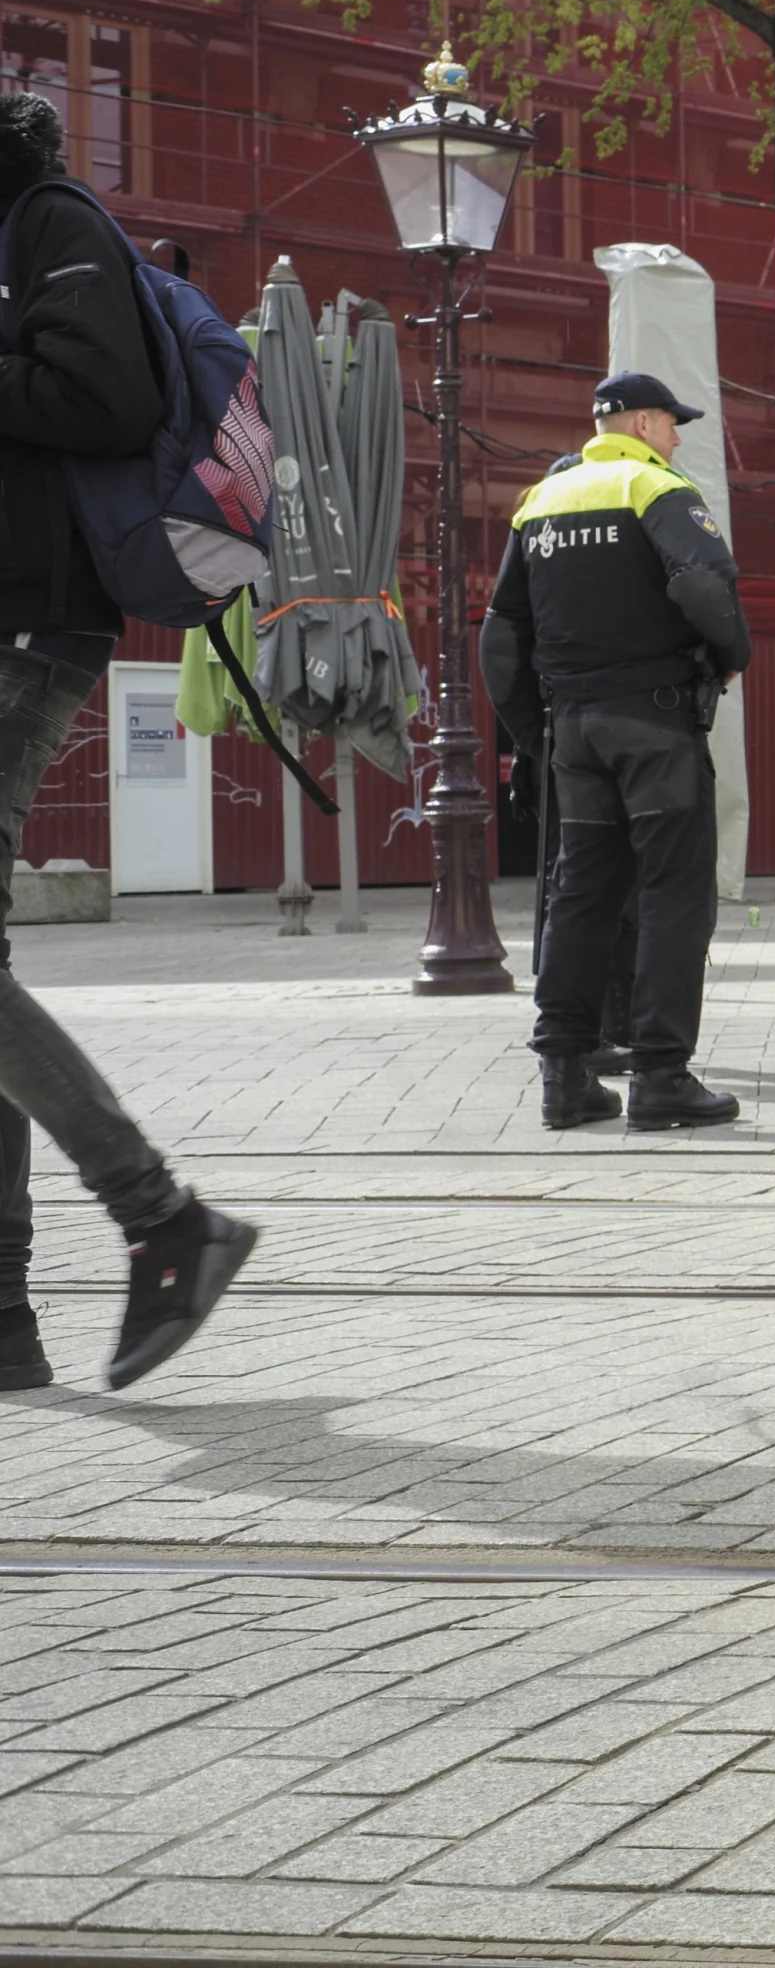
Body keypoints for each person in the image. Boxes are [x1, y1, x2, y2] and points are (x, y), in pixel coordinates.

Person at [0, 89, 259, 1392]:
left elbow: (95, 394)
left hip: (23, 626)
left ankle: (161, 1218)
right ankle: (4, 1322)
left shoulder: (47, 219)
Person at [481, 370, 751, 1132]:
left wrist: (532, 727)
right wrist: (734, 650)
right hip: (654, 725)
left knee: (581, 894)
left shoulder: (541, 501)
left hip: (574, 730)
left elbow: (499, 638)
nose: (676, 437)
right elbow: (703, 584)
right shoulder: (653, 487)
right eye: (671, 423)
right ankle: (662, 1076)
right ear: (638, 423)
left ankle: (565, 1079)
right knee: (672, 891)